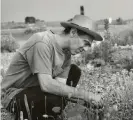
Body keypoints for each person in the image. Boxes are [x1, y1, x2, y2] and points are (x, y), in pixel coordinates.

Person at [1, 15, 103, 120]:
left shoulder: (66, 54)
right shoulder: (42, 42)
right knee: (54, 99)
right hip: (13, 95)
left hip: (36, 90)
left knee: (74, 72)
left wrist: (87, 103)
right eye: (85, 43)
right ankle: (35, 113)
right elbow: (46, 85)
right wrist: (85, 95)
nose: (86, 49)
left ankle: (48, 112)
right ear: (73, 32)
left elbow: (61, 88)